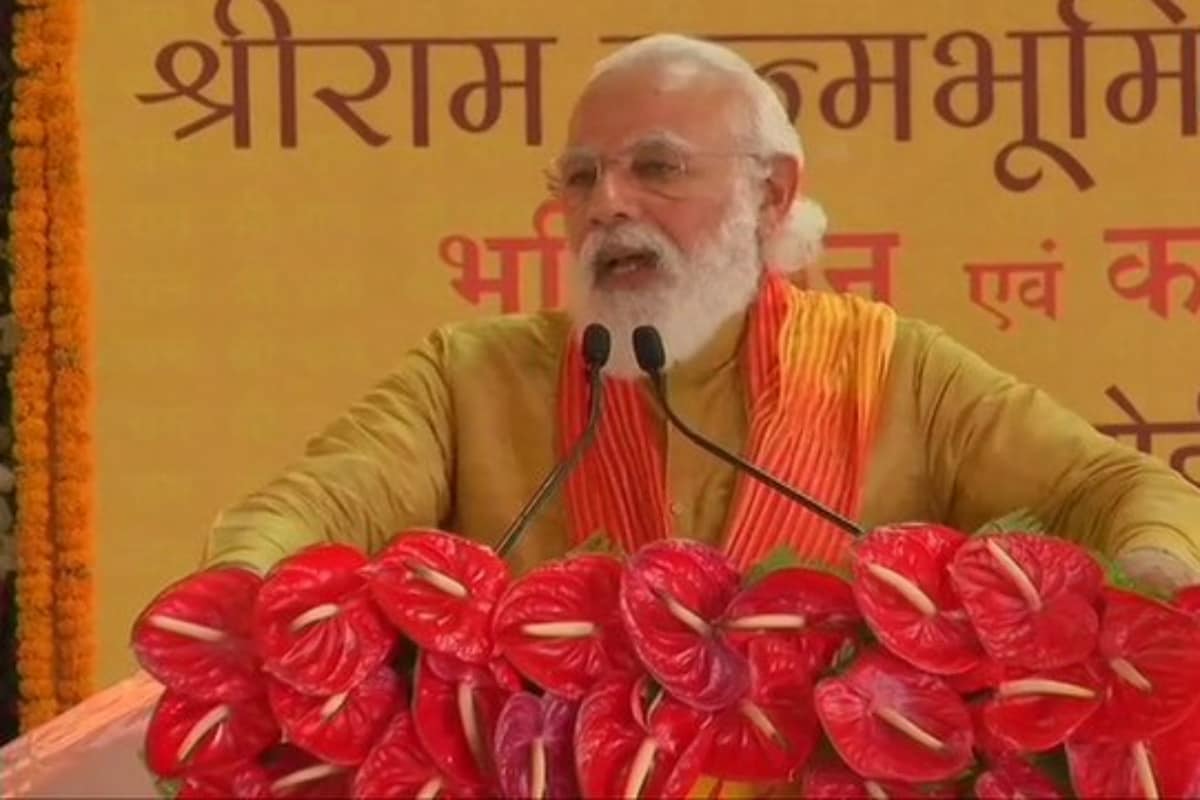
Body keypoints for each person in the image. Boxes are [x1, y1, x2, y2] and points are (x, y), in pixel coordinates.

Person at [201, 33, 1200, 595]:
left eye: (658, 167)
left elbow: (1118, 487)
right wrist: (243, 593)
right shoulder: (469, 381)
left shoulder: (899, 374)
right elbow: (310, 508)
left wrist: (1146, 583)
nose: (608, 204)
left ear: (772, 193)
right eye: (581, 176)